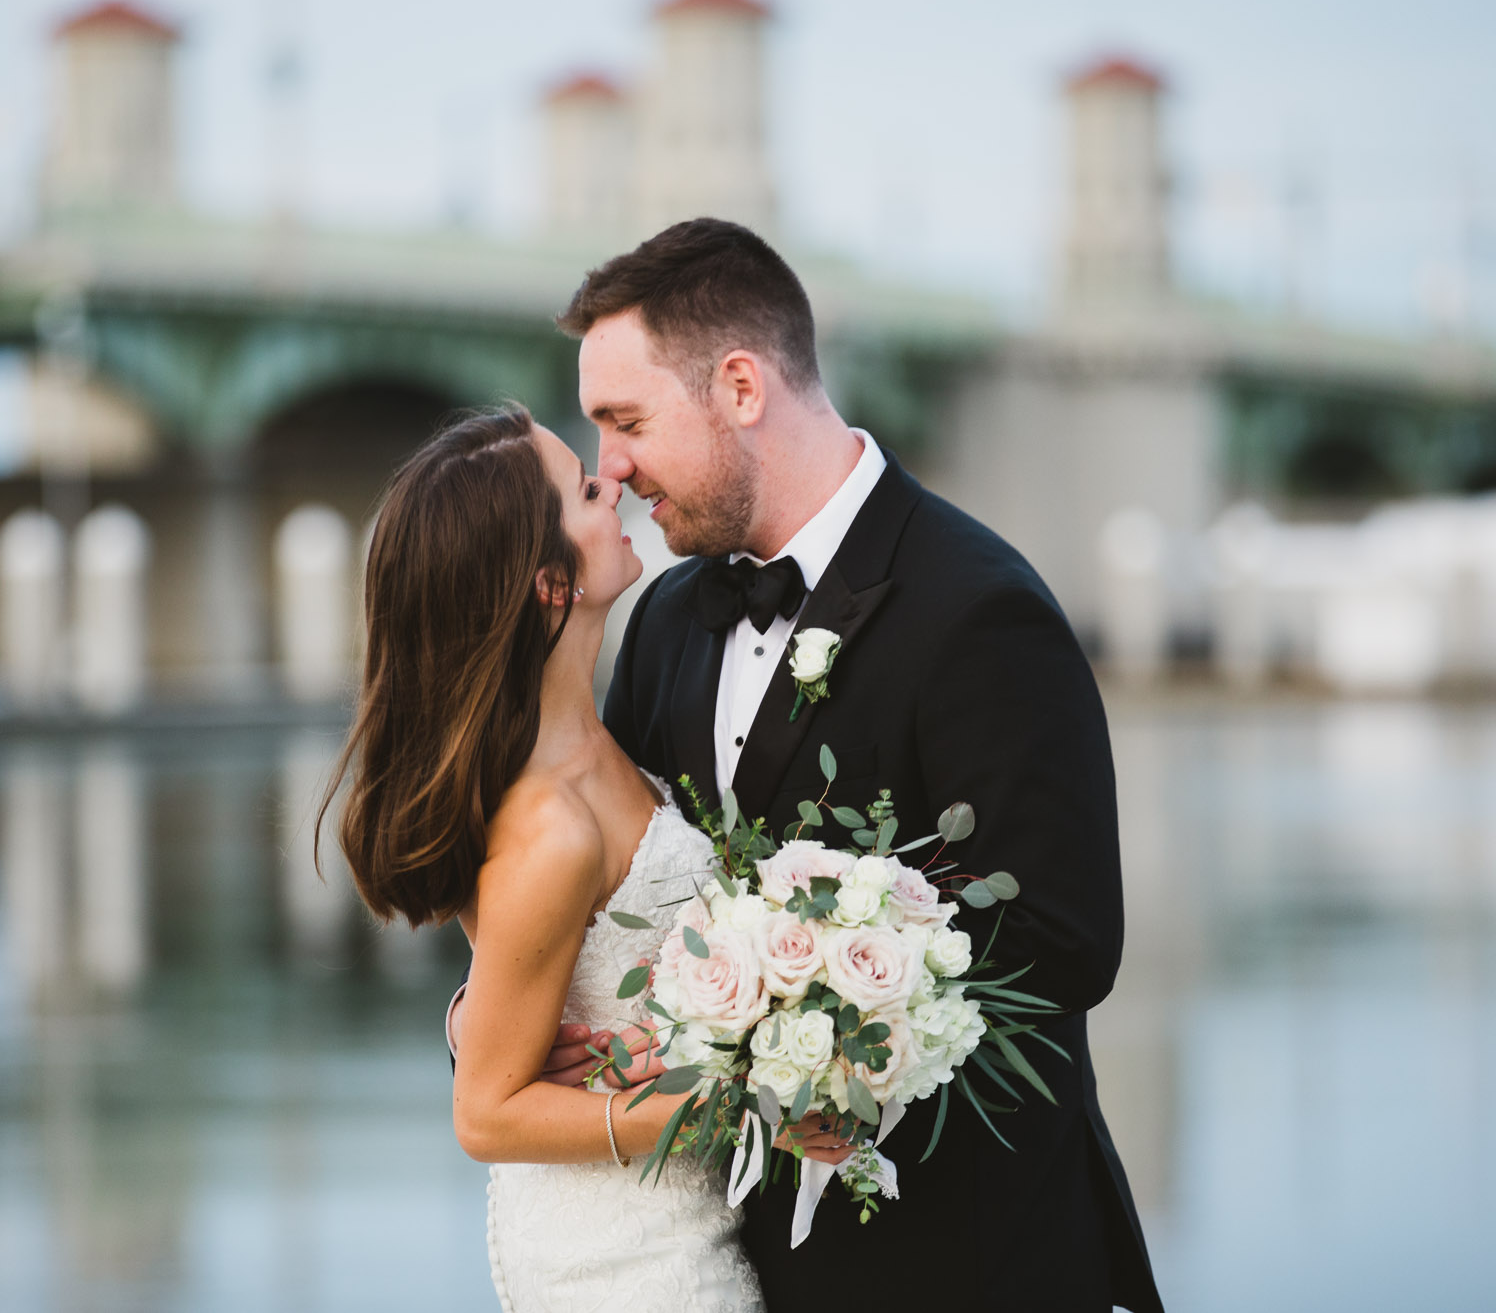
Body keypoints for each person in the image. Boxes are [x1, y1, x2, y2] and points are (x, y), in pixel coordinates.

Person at [457, 217, 1165, 1309]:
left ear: (740, 386)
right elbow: (611, 907)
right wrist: (512, 1031)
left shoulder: (980, 611)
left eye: (626, 420)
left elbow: (1062, 947)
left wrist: (794, 1027)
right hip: (730, 1264)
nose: (614, 466)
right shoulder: (664, 621)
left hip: (966, 1264)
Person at [322, 404, 770, 1311]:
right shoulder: (548, 830)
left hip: (671, 1227)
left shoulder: (588, 744)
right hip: (630, 1267)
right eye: (584, 488)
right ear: (547, 582)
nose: (614, 487)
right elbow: (484, 1112)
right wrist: (740, 1111)